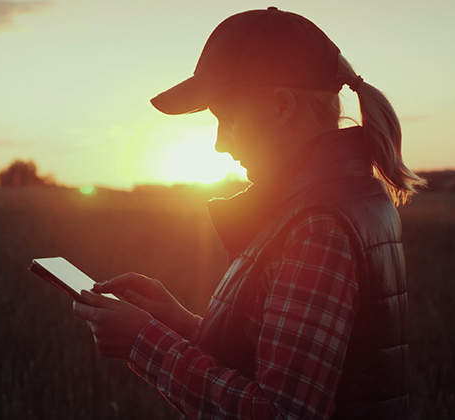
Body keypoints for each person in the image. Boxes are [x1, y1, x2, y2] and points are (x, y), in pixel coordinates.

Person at [73, 7, 425, 420]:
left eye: (227, 118)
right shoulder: (340, 200)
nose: (220, 144)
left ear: (281, 106)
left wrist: (143, 341)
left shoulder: (318, 226)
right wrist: (181, 324)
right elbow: (280, 362)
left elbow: (281, 412)